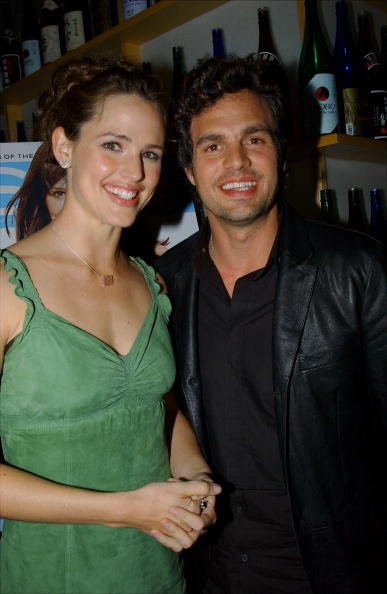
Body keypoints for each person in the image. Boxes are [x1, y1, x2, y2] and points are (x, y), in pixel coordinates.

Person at [156, 55, 387, 594]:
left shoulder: (358, 272)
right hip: (206, 573)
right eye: (212, 146)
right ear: (189, 169)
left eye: (254, 140)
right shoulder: (161, 286)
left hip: (328, 573)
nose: (236, 162)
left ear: (282, 155)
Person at [0, 55, 221, 594]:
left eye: (149, 154)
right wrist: (122, 510)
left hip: (160, 576)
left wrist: (194, 476)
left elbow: (160, 410)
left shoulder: (152, 284)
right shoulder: (7, 289)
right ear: (63, 147)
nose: (135, 174)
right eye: (113, 145)